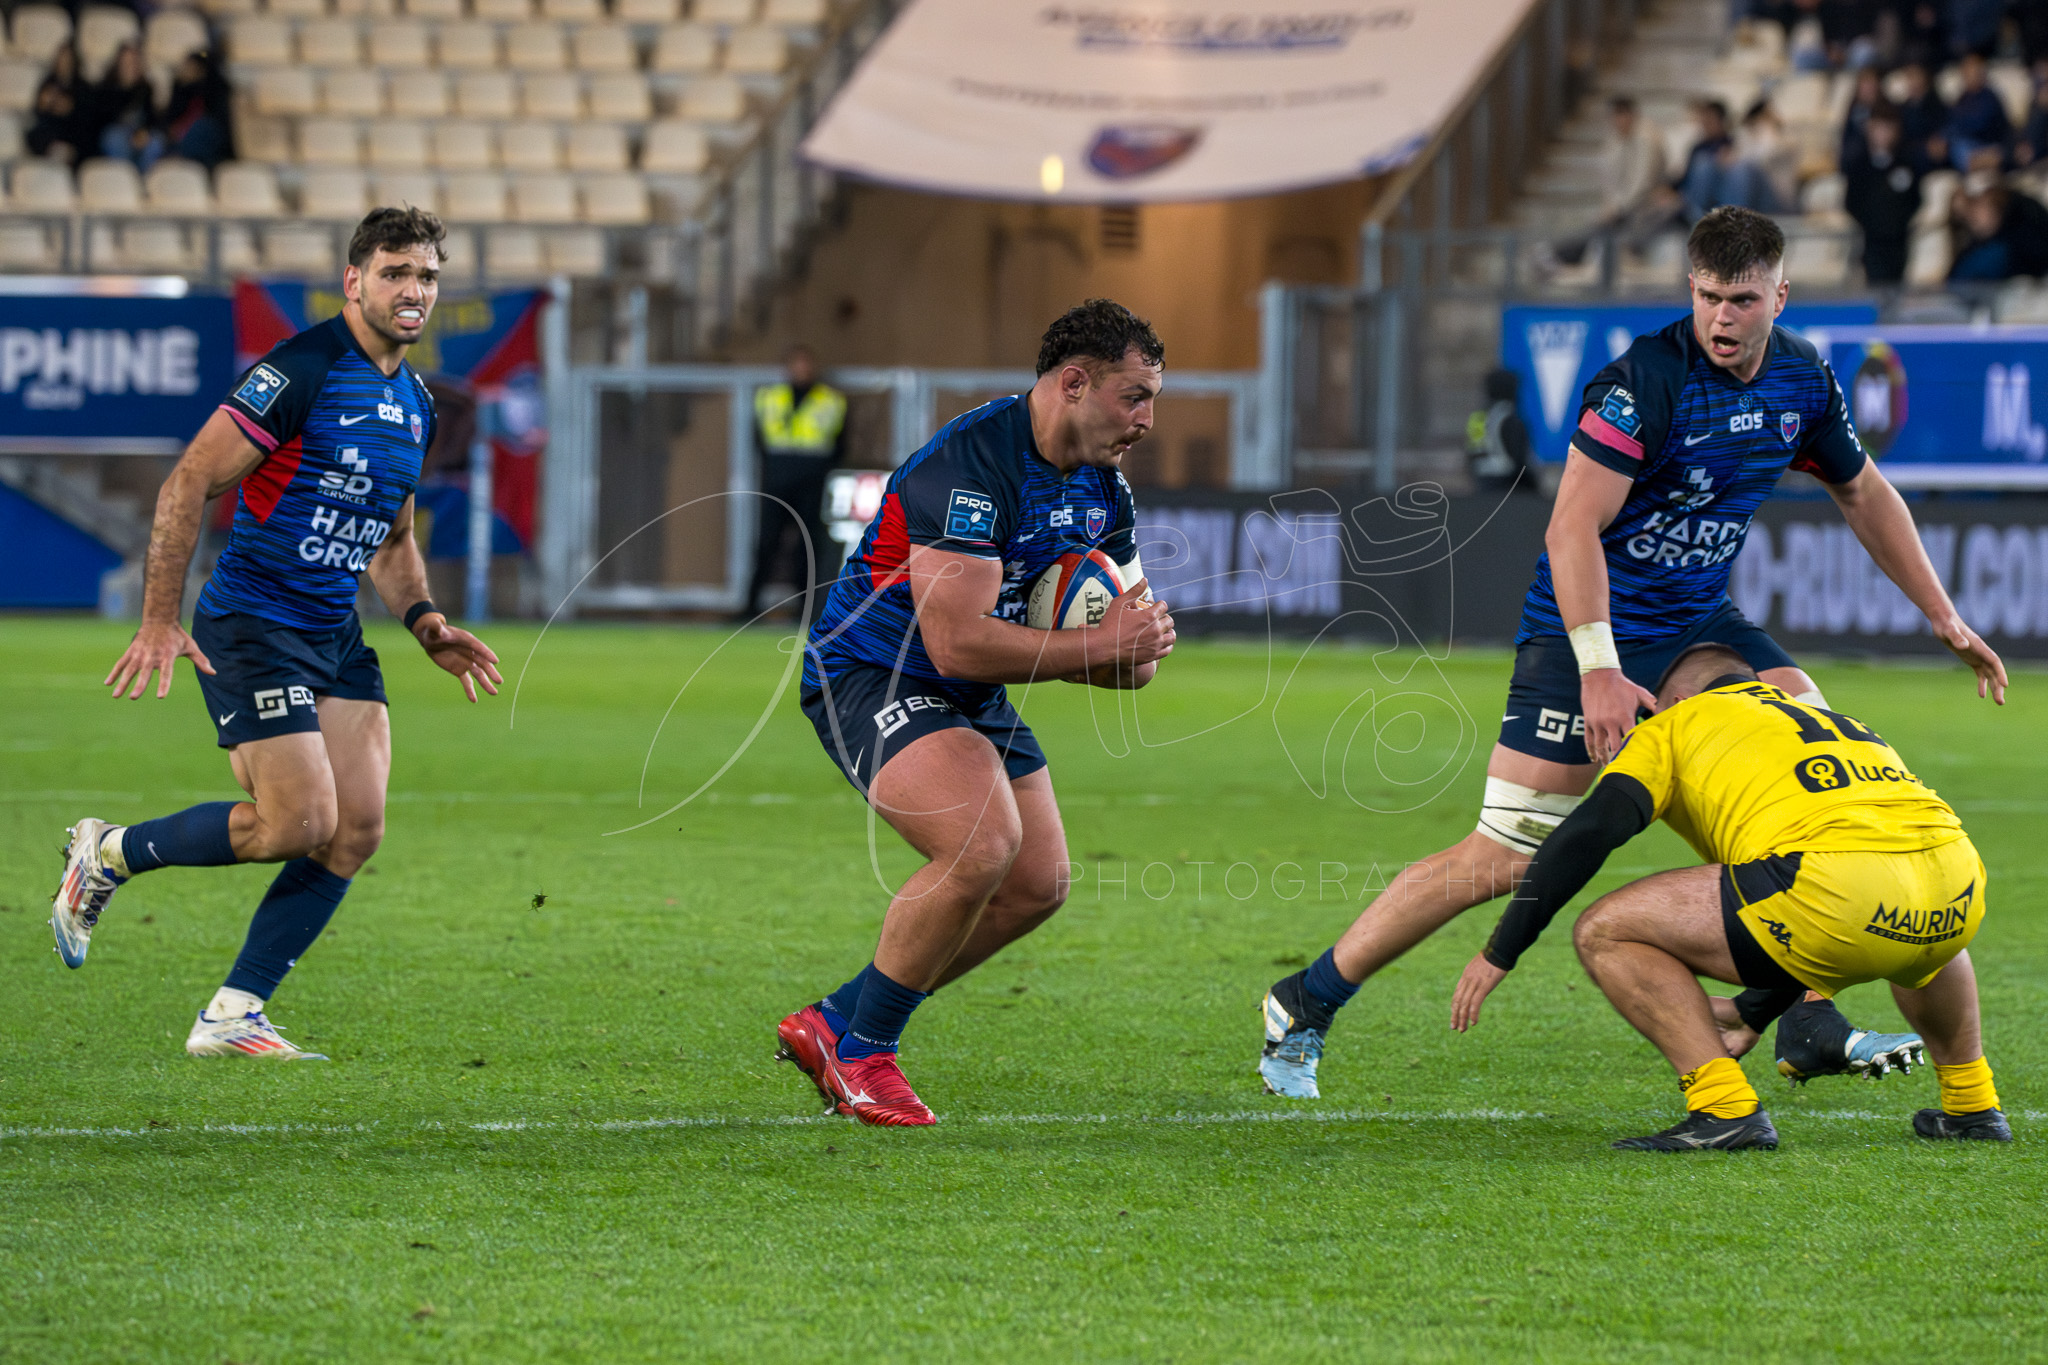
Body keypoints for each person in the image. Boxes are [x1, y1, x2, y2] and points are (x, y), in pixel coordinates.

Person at [1257, 206, 2008, 1101]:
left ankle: (1803, 1016)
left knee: (1806, 752)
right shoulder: (1643, 381)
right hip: (1587, 630)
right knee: (1506, 853)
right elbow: (1573, 526)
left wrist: (1943, 614)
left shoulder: (1804, 379)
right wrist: (1599, 667)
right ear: (1688, 289)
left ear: (1781, 294)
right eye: (1706, 297)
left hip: (1698, 624)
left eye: (1741, 299)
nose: (1722, 318)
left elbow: (1863, 491)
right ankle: (1304, 999)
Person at [50, 208, 502, 1060]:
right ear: (355, 282)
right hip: (254, 621)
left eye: (429, 276)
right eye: (397, 272)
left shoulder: (415, 403)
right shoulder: (302, 369)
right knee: (295, 824)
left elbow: (395, 539)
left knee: (356, 830)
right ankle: (107, 852)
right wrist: (158, 617)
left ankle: (234, 1012)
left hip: (332, 630)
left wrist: (424, 619)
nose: (414, 290)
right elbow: (189, 479)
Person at [775, 299, 1175, 1126]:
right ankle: (862, 1056)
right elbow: (956, 643)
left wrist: (1132, 648)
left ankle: (838, 1020)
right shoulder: (971, 464)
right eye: (1133, 396)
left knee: (1037, 882)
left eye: (1151, 399)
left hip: (968, 686)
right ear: (1074, 383)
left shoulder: (1108, 494)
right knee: (981, 843)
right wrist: (1107, 645)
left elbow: (1129, 665)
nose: (1146, 418)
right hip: (872, 668)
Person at [1450, 644, 2010, 1150]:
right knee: (1923, 934)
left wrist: (1501, 950)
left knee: (1606, 929)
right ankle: (1972, 1105)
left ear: (1679, 696)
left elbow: (1587, 835)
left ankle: (1723, 1109)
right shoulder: (1833, 719)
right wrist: (1754, 1011)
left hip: (1835, 892)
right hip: (1956, 886)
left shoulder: (1676, 723)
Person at [739, 343, 848, 621]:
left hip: (812, 481)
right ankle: (750, 607)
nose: (802, 370)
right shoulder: (770, 397)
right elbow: (760, 439)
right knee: (767, 543)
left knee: (808, 547)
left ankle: (807, 611)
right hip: (778, 479)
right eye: (797, 364)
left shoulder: (831, 401)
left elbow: (839, 444)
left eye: (806, 364)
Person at [1845, 107, 1922, 281]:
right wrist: (1871, 224)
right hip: (1871, 241)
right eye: (1879, 128)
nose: (1883, 134)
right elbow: (1851, 202)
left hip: (1900, 240)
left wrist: (1898, 222)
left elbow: (1915, 200)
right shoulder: (1859, 166)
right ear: (1870, 129)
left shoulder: (1907, 164)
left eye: (1889, 128)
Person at [1465, 368, 1538, 493]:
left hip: (1481, 485)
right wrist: (1533, 486)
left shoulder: (1477, 418)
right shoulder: (1508, 418)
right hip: (1507, 486)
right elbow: (1519, 459)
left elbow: (1472, 454)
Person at [91, 43, 157, 166]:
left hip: (139, 133)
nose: (130, 66)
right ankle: (124, 177)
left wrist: (142, 132)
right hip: (116, 132)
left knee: (155, 142)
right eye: (126, 62)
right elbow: (103, 120)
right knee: (114, 139)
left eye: (133, 62)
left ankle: (146, 178)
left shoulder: (146, 89)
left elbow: (152, 117)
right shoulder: (106, 88)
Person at [1944, 51, 2012, 169]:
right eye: (1967, 70)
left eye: (1975, 69)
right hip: (1970, 147)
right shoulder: (1962, 98)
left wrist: (1958, 125)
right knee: (1956, 146)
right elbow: (1951, 122)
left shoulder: (1990, 96)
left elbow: (1979, 123)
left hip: (1990, 143)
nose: (1971, 74)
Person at [25, 43, 86, 165]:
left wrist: (69, 108)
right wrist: (45, 104)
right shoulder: (48, 83)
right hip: (50, 130)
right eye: (62, 58)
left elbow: (84, 116)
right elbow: (39, 111)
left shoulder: (82, 87)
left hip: (72, 132)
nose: (64, 63)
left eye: (68, 59)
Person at [1895, 61, 1950, 171]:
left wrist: (1939, 140)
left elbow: (1943, 126)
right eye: (1909, 76)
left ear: (1924, 77)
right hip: (1911, 151)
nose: (1912, 81)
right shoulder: (1903, 108)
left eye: (1915, 75)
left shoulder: (1936, 103)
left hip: (1933, 151)